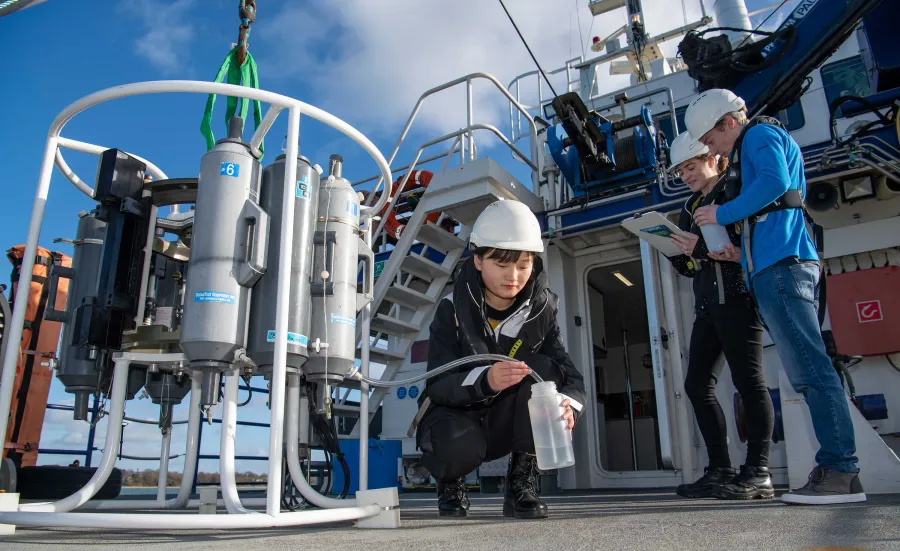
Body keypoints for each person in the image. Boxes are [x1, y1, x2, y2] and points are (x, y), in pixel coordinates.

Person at [686, 89, 865, 505]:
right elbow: (770, 207)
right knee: (808, 370)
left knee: (811, 372)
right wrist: (735, 255)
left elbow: (774, 183)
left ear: (729, 123)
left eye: (711, 141)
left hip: (782, 267)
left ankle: (841, 470)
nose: (712, 150)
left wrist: (721, 214)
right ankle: (836, 466)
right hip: (772, 267)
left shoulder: (758, 136)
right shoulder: (756, 141)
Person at [411, 199, 586, 519]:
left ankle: (522, 484)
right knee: (457, 448)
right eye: (502, 264)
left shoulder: (542, 312)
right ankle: (450, 482)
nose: (514, 276)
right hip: (456, 416)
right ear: (478, 260)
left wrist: (567, 404)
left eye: (523, 264)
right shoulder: (451, 309)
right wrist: (485, 380)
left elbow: (570, 375)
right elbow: (437, 384)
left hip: (505, 421)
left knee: (544, 371)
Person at [664, 132, 775, 500]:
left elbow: (742, 245)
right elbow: (692, 266)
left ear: (713, 159)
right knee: (697, 385)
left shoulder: (734, 190)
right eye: (681, 171)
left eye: (691, 167)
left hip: (738, 300)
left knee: (750, 383)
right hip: (708, 305)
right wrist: (675, 252)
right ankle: (720, 469)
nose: (686, 176)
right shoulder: (689, 206)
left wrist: (702, 250)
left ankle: (758, 471)